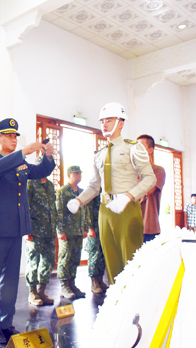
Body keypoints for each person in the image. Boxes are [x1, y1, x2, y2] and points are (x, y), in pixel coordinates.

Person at [0, 118, 55, 345]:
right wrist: (22, 152)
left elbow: (41, 170)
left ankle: (5, 322)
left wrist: (48, 156)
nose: (14, 139)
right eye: (9, 136)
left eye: (15, 136)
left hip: (15, 229)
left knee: (10, 281)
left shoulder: (20, 163)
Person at [67, 102, 156, 284]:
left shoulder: (134, 148)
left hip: (126, 209)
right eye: (102, 121)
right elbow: (94, 186)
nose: (104, 125)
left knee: (131, 262)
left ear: (121, 123)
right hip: (105, 210)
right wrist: (78, 200)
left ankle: (136, 306)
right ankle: (117, 303)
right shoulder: (99, 154)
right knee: (111, 261)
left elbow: (150, 179)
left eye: (109, 120)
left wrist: (128, 197)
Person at [25, 158, 57, 306]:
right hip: (35, 230)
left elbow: (53, 207)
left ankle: (42, 291)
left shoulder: (50, 185)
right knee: (33, 261)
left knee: (48, 261)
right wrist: (26, 230)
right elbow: (25, 207)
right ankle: (32, 292)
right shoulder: (30, 183)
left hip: (49, 230)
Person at [56, 166, 85, 299]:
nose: (78, 176)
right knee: (65, 259)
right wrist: (60, 230)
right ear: (69, 175)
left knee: (75, 258)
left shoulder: (82, 192)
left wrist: (84, 228)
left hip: (78, 231)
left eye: (80, 173)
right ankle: (64, 285)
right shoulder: (62, 191)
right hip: (67, 232)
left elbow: (84, 211)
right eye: (76, 173)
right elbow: (59, 212)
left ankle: (72, 284)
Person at [137, 134, 166, 243]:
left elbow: (149, 190)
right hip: (132, 226)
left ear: (150, 150)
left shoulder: (158, 170)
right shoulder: (133, 172)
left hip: (149, 227)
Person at [83, 195, 108, 294]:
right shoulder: (93, 191)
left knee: (102, 254)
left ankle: (100, 280)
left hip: (103, 226)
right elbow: (87, 210)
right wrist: (89, 228)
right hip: (94, 228)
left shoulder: (105, 191)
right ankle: (94, 282)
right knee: (94, 255)